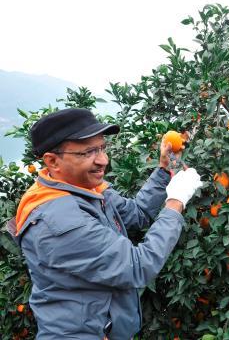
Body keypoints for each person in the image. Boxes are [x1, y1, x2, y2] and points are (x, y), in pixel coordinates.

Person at [10, 108, 203, 339]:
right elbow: (138, 266)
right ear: (52, 161)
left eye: (102, 147)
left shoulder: (86, 188)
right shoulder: (58, 221)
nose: (103, 160)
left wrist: (164, 170)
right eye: (89, 152)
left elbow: (137, 213)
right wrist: (175, 202)